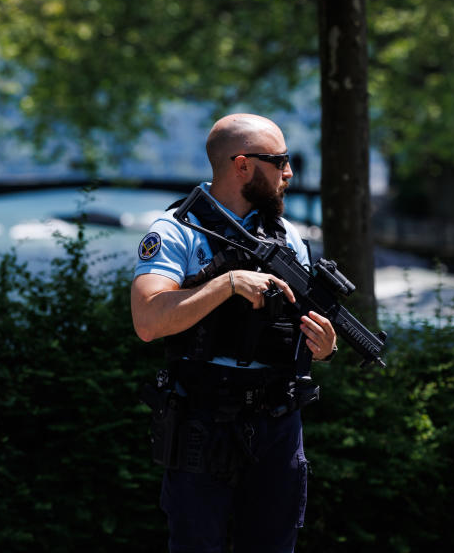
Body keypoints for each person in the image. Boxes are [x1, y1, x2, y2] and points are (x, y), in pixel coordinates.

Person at [131, 113, 337, 553]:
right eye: (279, 160)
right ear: (241, 165)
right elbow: (147, 321)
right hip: (202, 421)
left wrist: (323, 346)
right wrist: (227, 284)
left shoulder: (287, 237)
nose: (289, 172)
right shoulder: (176, 231)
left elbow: (297, 329)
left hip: (278, 423)